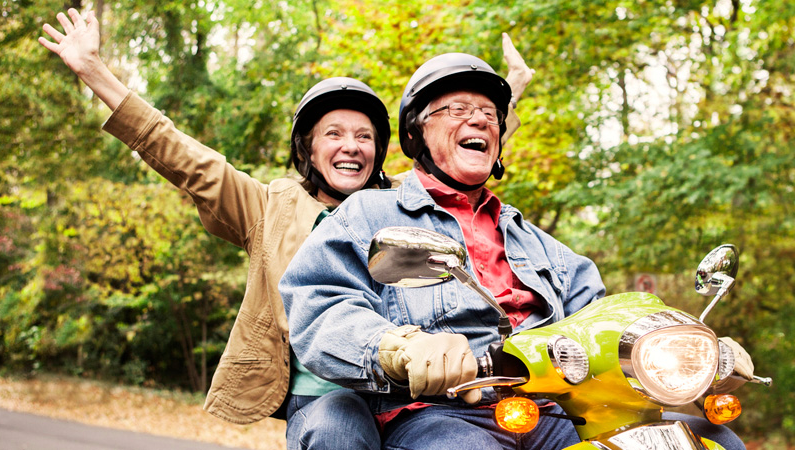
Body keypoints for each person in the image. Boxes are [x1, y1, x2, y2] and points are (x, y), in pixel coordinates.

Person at [38, 9, 536, 449]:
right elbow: (178, 153)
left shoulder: (397, 206)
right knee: (338, 428)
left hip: (407, 393)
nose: (351, 146)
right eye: (334, 134)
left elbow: (458, 152)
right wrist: (93, 70)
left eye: (364, 136)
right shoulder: (267, 207)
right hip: (324, 395)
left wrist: (504, 96)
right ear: (308, 150)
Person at [279, 52, 753, 449]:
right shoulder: (369, 214)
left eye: (490, 114)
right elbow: (321, 305)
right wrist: (398, 347)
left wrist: (692, 349)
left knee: (710, 438)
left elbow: (605, 318)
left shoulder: (539, 243)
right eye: (458, 109)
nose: (480, 119)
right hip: (440, 414)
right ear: (416, 134)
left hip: (556, 411)